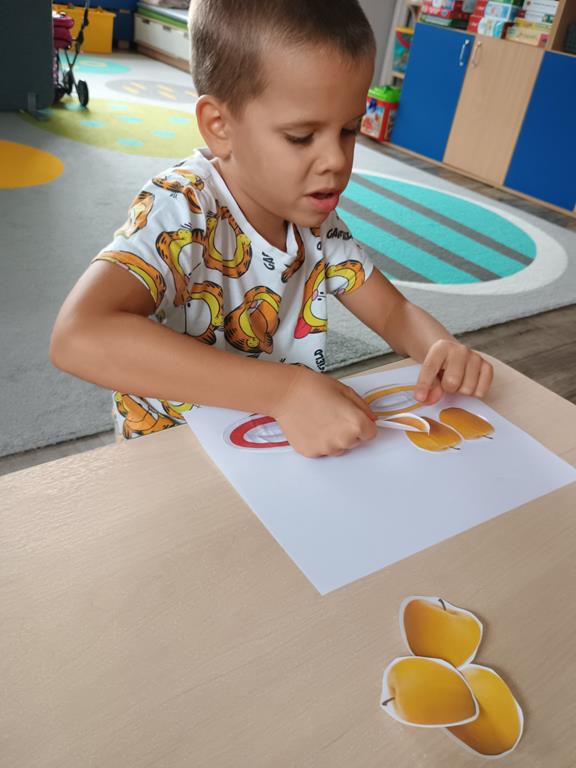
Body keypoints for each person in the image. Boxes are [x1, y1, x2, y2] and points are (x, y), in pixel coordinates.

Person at [50, 0, 493, 458]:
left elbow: (392, 312)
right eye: (301, 137)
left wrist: (439, 346)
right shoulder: (182, 207)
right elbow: (78, 335)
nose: (336, 160)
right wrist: (284, 391)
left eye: (349, 130)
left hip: (271, 443)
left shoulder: (317, 224)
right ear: (219, 127)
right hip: (172, 454)